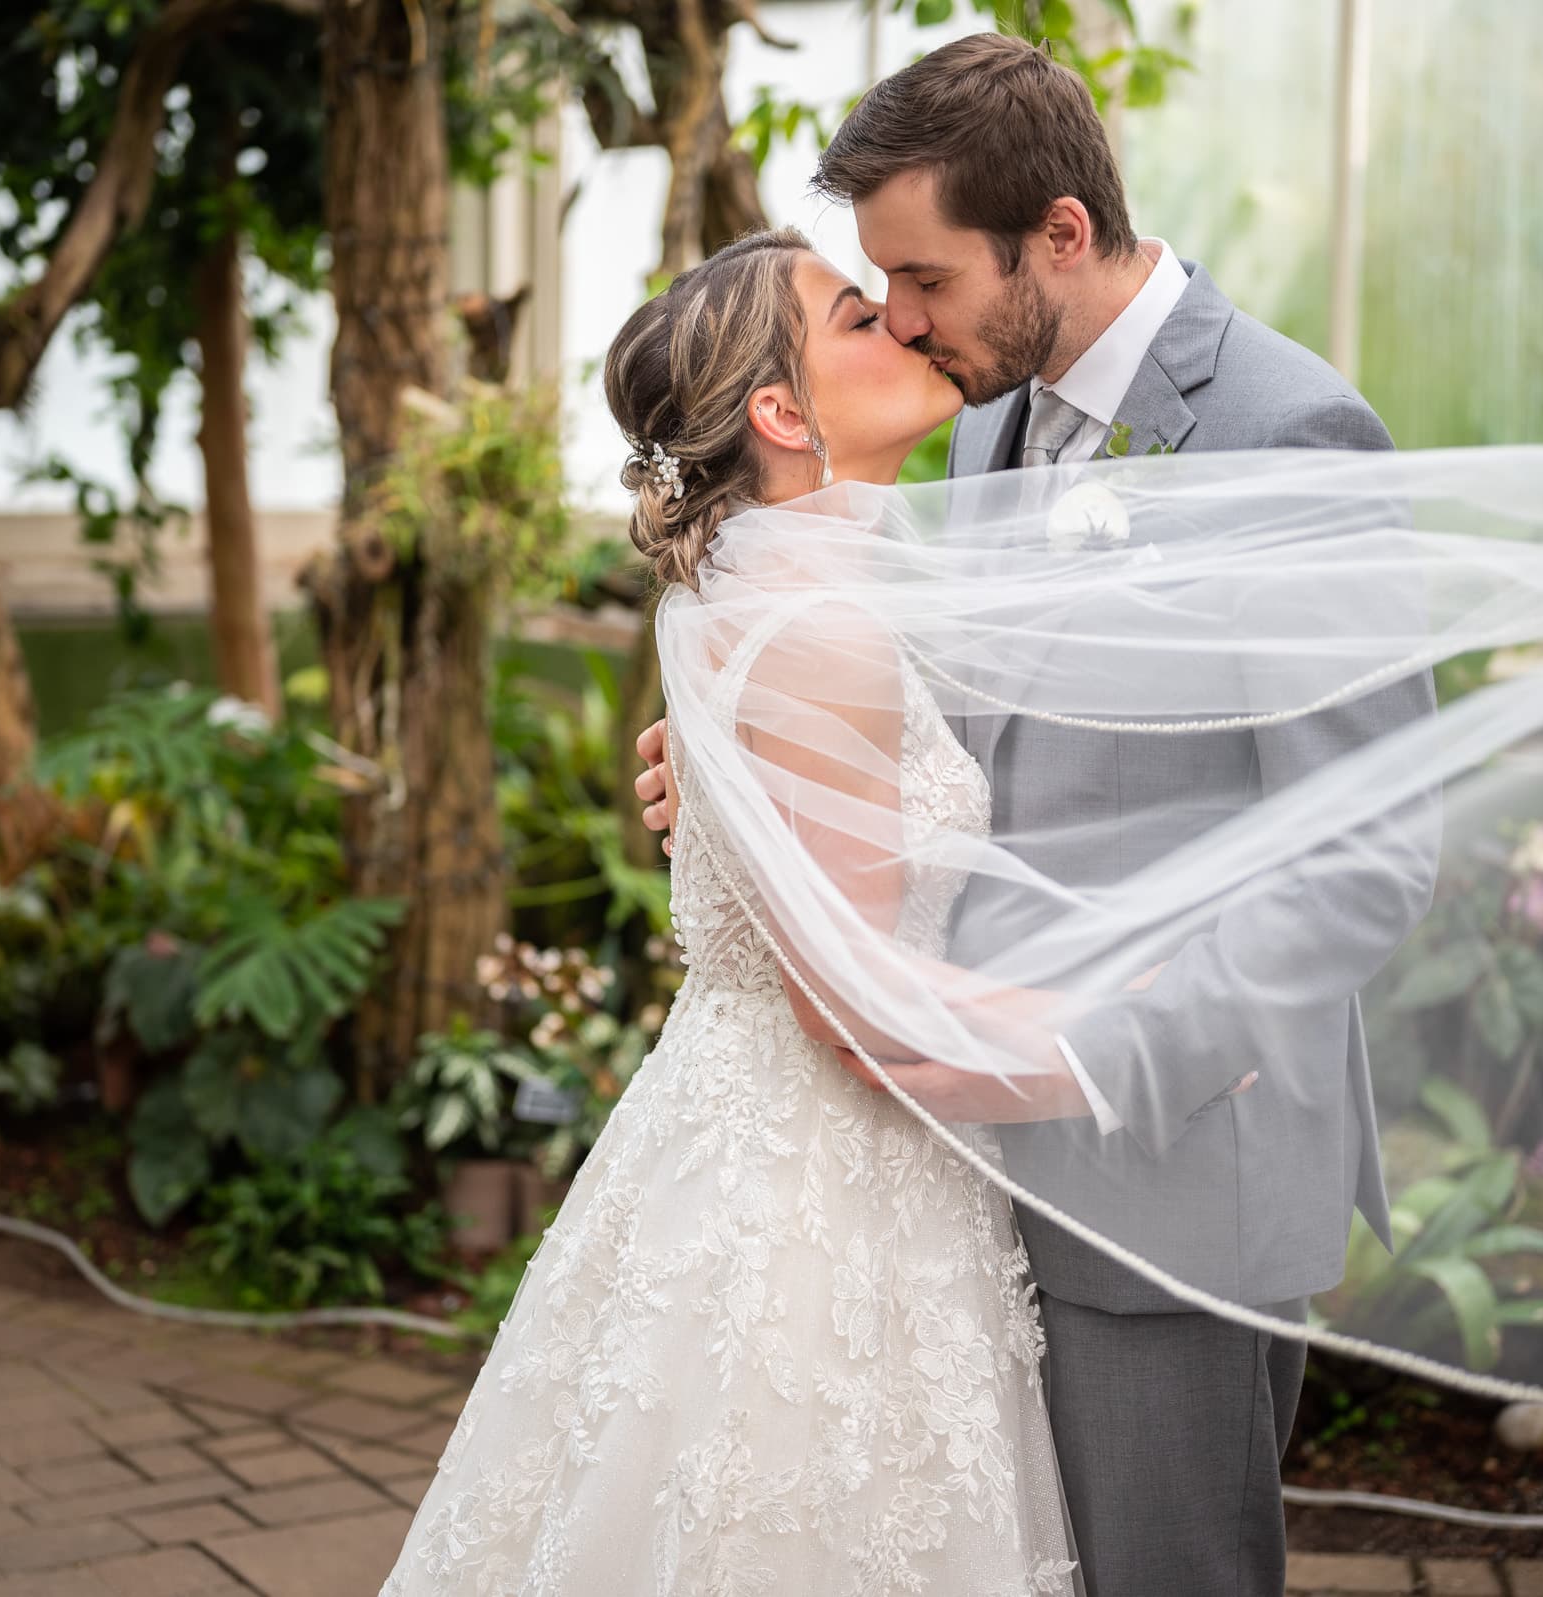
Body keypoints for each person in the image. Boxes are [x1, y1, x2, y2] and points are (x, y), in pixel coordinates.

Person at [634, 35, 1435, 1595]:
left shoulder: (1287, 434)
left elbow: (1367, 854)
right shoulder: (986, 410)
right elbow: (942, 709)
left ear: (1058, 234)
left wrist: (1085, 1053)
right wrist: (739, 759)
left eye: (921, 278)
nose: (906, 321)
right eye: (880, 292)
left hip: (1161, 1163)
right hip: (950, 1166)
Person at [378, 226, 1082, 1596]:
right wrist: (1121, 1047)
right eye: (855, 317)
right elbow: (856, 1004)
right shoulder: (817, 621)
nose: (903, 319)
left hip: (765, 1129)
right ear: (778, 411)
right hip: (824, 1171)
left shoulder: (767, 584)